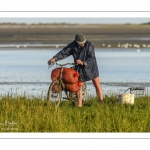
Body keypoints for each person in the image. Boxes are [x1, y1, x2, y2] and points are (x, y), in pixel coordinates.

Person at [48, 33, 103, 107]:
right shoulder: (72, 46)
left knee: (96, 84)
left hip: (91, 68)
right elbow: (64, 52)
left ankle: (101, 101)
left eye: (83, 43)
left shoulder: (90, 45)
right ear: (76, 42)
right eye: (81, 43)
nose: (82, 44)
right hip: (79, 68)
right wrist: (55, 58)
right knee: (78, 85)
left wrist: (83, 62)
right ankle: (79, 105)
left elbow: (92, 58)